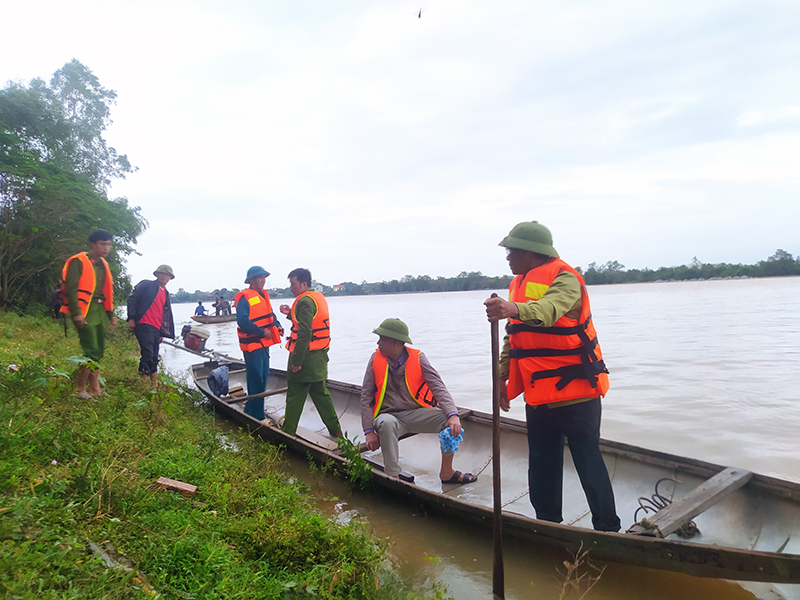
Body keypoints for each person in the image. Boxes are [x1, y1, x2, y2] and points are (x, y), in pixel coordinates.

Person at [484, 221, 620, 532]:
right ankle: (548, 526)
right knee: (542, 465)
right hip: (539, 393)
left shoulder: (565, 279)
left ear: (531, 252)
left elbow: (548, 310)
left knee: (588, 462)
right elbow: (513, 337)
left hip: (577, 392)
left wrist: (512, 308)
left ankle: (608, 528)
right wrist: (500, 378)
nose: (507, 257)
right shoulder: (517, 284)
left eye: (512, 251)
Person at [360, 318, 476, 483]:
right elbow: (366, 396)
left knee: (449, 423)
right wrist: (369, 431)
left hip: (415, 414)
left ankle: (447, 472)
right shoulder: (375, 359)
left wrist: (452, 414)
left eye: (382, 339)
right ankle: (393, 476)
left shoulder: (418, 358)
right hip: (388, 416)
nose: (378, 343)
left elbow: (438, 387)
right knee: (387, 423)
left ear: (395, 342)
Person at [278, 268, 341, 437]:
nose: (291, 287)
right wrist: (291, 314)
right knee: (321, 394)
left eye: (293, 283)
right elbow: (309, 322)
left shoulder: (305, 301)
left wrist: (297, 361)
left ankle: (288, 434)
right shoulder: (316, 298)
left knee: (295, 396)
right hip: (319, 357)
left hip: (305, 358)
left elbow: (305, 333)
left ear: (304, 284)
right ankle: (336, 430)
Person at [59, 229, 117, 399]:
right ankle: (80, 389)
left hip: (99, 310)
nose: (106, 248)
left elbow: (105, 292)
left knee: (99, 350)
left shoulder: (103, 265)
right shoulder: (79, 261)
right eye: (103, 244)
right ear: (93, 245)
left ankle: (95, 388)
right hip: (85, 310)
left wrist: (111, 314)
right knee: (91, 349)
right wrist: (76, 314)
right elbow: (71, 289)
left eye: (109, 245)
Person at [235, 266, 283, 420]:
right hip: (252, 345)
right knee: (256, 380)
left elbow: (270, 315)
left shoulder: (263, 295)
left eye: (264, 278)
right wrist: (262, 332)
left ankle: (250, 411)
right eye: (260, 278)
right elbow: (242, 321)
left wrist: (278, 326)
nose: (263, 281)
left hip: (264, 345)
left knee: (263, 379)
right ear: (251, 280)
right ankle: (257, 416)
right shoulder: (244, 297)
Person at [126, 265, 176, 386]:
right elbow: (132, 300)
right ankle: (143, 381)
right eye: (162, 274)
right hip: (143, 324)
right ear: (157, 275)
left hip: (156, 327)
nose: (164, 276)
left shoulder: (166, 293)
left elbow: (164, 313)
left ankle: (154, 382)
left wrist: (161, 332)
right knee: (147, 352)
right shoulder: (146, 285)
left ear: (170, 278)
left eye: (167, 275)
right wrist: (131, 318)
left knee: (154, 354)